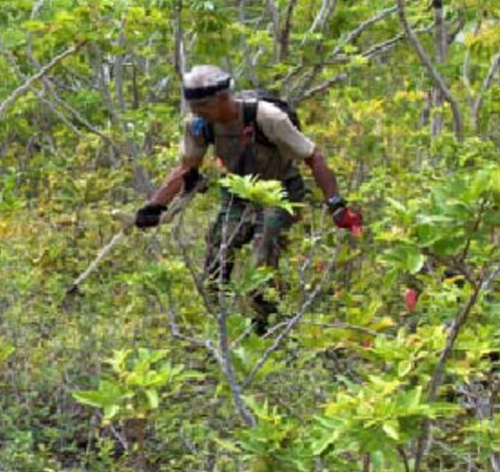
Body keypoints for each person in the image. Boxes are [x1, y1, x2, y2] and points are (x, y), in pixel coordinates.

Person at [134, 64, 363, 333]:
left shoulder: (268, 118)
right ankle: (220, 327)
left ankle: (264, 329)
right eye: (193, 106)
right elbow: (186, 167)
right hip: (237, 195)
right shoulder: (198, 125)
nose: (197, 112)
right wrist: (156, 206)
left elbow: (314, 157)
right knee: (217, 257)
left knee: (262, 261)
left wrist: (335, 204)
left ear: (223, 98)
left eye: (203, 106)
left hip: (279, 194)